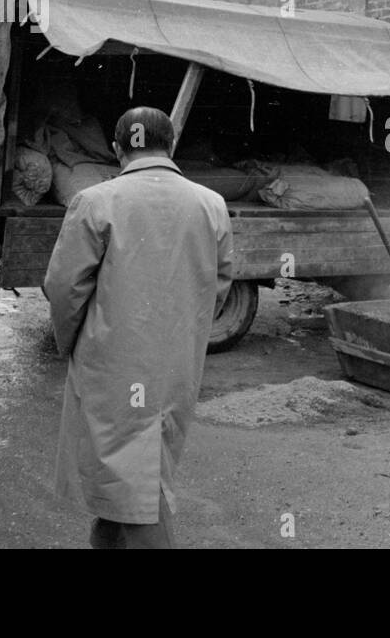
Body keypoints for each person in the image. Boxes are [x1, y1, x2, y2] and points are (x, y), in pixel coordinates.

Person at [43, 106, 233, 549]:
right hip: (176, 366)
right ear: (171, 145)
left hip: (113, 363)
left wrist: (70, 344)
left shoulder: (95, 202)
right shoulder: (211, 205)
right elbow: (218, 285)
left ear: (116, 148)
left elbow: (64, 287)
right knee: (135, 472)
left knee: (135, 483)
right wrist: (187, 333)